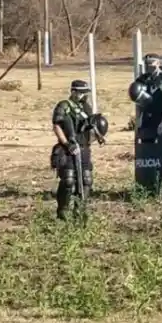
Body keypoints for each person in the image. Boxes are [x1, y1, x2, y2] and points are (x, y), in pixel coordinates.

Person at [50, 80, 108, 220]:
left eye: (85, 93)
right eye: (81, 92)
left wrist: (98, 136)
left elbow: (91, 126)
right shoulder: (63, 106)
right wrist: (66, 143)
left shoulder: (85, 108)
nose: (83, 95)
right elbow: (57, 126)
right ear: (73, 92)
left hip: (84, 148)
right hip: (68, 149)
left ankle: (79, 209)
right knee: (68, 180)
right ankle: (63, 210)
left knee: (86, 180)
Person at [132, 54, 162, 200]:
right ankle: (152, 187)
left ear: (158, 63)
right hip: (147, 121)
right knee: (149, 155)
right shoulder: (142, 80)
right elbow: (139, 102)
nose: (151, 67)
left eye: (153, 64)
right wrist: (138, 121)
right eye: (148, 65)